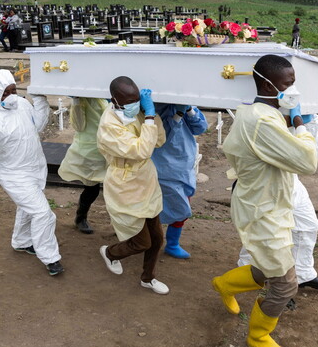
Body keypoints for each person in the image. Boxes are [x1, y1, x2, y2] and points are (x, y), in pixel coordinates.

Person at [212, 55, 318, 347]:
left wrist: (288, 119)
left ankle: (224, 284)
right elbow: (307, 161)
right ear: (268, 83)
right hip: (263, 210)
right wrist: (298, 121)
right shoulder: (262, 121)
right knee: (284, 284)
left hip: (267, 203)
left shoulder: (255, 112)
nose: (293, 89)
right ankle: (258, 337)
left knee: (265, 268)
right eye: (288, 83)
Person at [0, 69, 63, 276]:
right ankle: (50, 256)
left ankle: (21, 241)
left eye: (13, 90)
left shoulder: (21, 104)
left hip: (35, 168)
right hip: (14, 175)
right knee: (43, 213)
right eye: (4, 93)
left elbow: (37, 125)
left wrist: (39, 100)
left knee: (28, 208)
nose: (10, 96)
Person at [237, 114, 318, 292]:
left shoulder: (301, 109)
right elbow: (302, 158)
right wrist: (298, 125)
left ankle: (302, 275)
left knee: (307, 225)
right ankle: (249, 275)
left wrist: (308, 121)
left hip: (291, 181)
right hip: (267, 183)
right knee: (264, 233)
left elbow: (317, 150)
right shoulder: (261, 115)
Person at [97, 77, 168, 295]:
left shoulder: (134, 112)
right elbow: (141, 150)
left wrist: (151, 114)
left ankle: (148, 278)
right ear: (114, 100)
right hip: (125, 184)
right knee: (141, 241)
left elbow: (158, 140)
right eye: (129, 100)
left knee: (157, 238)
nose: (134, 104)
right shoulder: (109, 125)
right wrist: (148, 116)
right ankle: (110, 252)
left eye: (137, 99)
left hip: (146, 180)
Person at [151, 103, 208, 259]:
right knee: (152, 207)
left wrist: (190, 111)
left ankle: (172, 244)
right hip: (161, 165)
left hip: (183, 166)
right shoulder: (152, 109)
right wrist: (177, 116)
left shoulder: (185, 105)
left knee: (182, 207)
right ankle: (144, 238)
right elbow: (163, 137)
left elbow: (200, 128)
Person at [58, 97, 108, 234]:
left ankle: (121, 225)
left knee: (114, 190)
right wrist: (77, 103)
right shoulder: (84, 100)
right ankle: (81, 218)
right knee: (92, 189)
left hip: (112, 149)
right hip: (91, 152)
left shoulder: (108, 96)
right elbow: (79, 126)